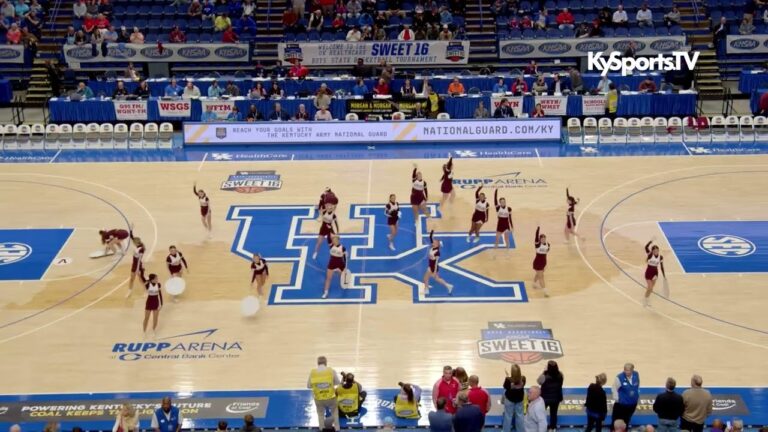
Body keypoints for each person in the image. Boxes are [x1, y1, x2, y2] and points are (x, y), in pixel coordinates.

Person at [308, 356, 340, 430]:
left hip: (318, 398)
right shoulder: (331, 370)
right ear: (326, 363)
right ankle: (337, 429)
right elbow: (337, 382)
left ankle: (322, 429)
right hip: (331, 397)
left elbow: (309, 386)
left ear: (317, 363)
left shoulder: (312, 372)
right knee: (334, 413)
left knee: (320, 414)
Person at [423, 230, 453, 296]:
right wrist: (432, 231)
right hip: (431, 266)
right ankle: (448, 286)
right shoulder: (433, 246)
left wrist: (434, 271)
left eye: (435, 242)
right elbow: (431, 237)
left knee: (425, 278)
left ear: (437, 245)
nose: (433, 242)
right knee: (437, 279)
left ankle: (427, 290)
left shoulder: (437, 252)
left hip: (433, 267)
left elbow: (436, 263)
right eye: (433, 241)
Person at [538, 360, 564, 431]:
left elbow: (538, 381)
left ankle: (542, 427)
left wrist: (543, 372)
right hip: (556, 398)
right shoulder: (561, 375)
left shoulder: (544, 376)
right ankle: (553, 427)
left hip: (545, 399)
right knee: (554, 413)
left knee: (542, 414)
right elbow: (561, 383)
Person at [611, 363, 640, 428]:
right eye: (625, 370)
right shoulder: (619, 377)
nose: (627, 372)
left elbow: (637, 384)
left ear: (632, 370)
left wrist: (637, 392)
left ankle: (625, 429)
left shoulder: (636, 374)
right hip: (622, 405)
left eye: (628, 370)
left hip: (632, 404)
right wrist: (617, 399)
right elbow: (614, 388)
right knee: (616, 420)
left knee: (627, 419)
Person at [502, 363, 525, 432]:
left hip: (509, 400)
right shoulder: (523, 378)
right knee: (520, 416)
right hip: (519, 399)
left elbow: (505, 387)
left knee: (508, 416)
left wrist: (507, 376)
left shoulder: (508, 380)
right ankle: (521, 430)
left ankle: (506, 430)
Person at [642, 240, 666, 306]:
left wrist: (664, 276)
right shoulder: (650, 255)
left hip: (655, 274)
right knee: (650, 287)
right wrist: (650, 241)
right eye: (655, 251)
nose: (656, 252)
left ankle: (647, 299)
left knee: (651, 288)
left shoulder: (660, 257)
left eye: (657, 251)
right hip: (648, 273)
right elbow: (646, 247)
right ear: (652, 251)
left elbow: (662, 267)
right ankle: (645, 299)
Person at [532, 226, 550, 296]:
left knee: (539, 274)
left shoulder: (548, 245)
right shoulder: (538, 245)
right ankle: (545, 291)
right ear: (540, 239)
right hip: (537, 262)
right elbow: (536, 236)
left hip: (543, 262)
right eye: (542, 239)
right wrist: (538, 228)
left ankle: (534, 283)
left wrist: (546, 264)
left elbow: (546, 254)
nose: (543, 240)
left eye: (544, 239)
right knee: (541, 276)